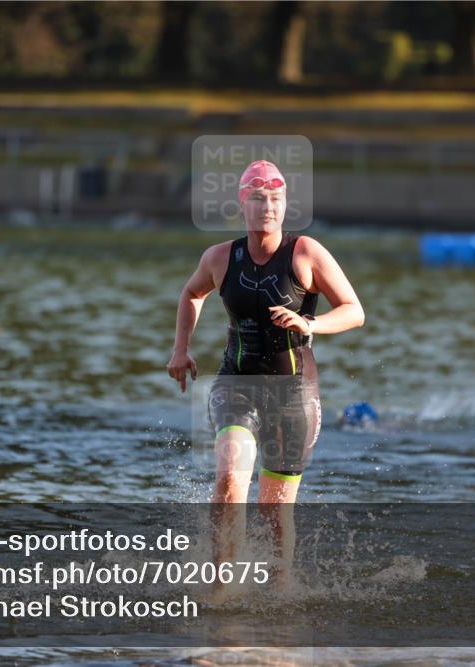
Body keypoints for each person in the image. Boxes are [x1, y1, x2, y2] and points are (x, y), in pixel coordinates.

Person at [166, 160, 364, 589]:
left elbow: (354, 310)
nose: (267, 207)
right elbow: (191, 292)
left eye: (275, 199)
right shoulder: (220, 257)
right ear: (243, 204)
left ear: (285, 205)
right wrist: (180, 349)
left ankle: (280, 589)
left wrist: (310, 324)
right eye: (258, 199)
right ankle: (220, 587)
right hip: (235, 382)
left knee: (274, 511)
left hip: (294, 392)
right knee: (230, 473)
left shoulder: (307, 253)